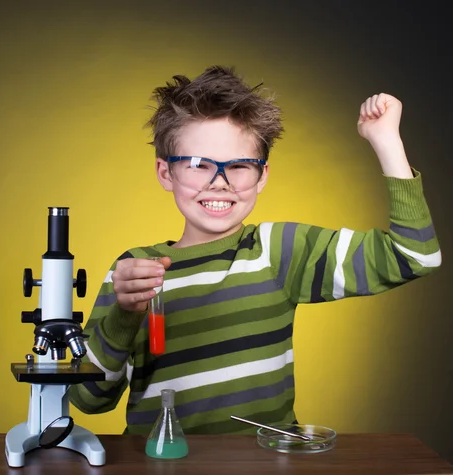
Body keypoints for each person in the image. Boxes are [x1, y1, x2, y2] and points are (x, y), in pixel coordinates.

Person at [68, 65, 442, 435]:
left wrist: (386, 139)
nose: (220, 183)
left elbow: (415, 255)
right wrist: (124, 314)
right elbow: (88, 399)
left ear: (262, 175)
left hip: (262, 462)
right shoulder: (134, 271)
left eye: (240, 165)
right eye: (198, 165)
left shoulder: (277, 252)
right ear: (166, 173)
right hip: (162, 462)